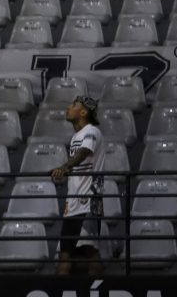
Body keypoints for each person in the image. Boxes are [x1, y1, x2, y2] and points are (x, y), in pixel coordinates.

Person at [50, 94, 105, 275]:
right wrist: (65, 173)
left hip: (88, 201)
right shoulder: (75, 137)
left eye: (74, 105)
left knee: (90, 252)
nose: (69, 107)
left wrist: (64, 167)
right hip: (73, 203)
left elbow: (84, 152)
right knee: (65, 254)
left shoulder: (91, 131)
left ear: (83, 112)